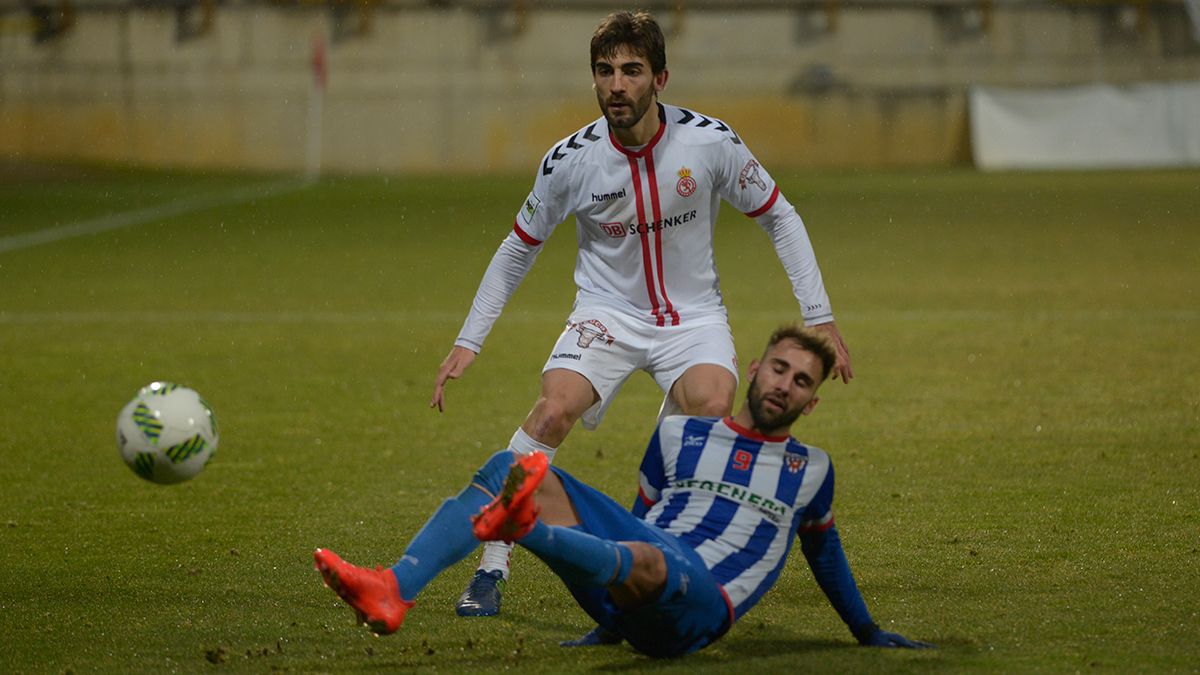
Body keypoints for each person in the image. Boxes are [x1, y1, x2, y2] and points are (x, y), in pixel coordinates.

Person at [431, 9, 854, 617]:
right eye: (604, 71)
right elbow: (517, 247)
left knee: (711, 408)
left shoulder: (709, 142)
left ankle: (664, 559)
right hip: (606, 313)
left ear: (660, 78)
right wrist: (471, 338)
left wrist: (819, 314)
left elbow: (779, 217)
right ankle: (491, 568)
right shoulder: (570, 160)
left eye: (631, 71)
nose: (616, 85)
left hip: (693, 318)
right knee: (551, 412)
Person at [317, 326, 930, 657]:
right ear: (754, 368)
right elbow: (640, 519)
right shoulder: (679, 435)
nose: (784, 385)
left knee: (650, 558)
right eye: (778, 368)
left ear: (811, 402)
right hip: (635, 579)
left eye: (801, 381)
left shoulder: (810, 468)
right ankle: (395, 587)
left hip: (699, 608)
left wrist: (867, 631)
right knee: (514, 466)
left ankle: (526, 530)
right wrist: (608, 628)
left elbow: (826, 555)